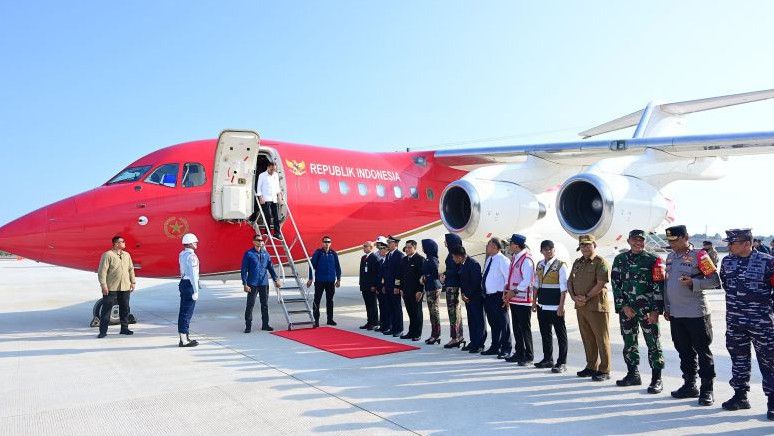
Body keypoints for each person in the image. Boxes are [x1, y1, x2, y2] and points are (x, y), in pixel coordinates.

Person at [719, 228, 774, 420]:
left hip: (761, 323)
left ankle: (773, 401)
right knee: (739, 359)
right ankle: (740, 396)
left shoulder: (768, 262)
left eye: (732, 243)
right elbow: (726, 284)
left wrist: (766, 310)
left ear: (745, 243)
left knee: (769, 361)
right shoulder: (727, 262)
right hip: (735, 321)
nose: (729, 246)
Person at [663, 225, 720, 405]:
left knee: (703, 352)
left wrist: (693, 282)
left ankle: (707, 390)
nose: (671, 244)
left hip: (696, 313)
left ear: (685, 237)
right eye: (669, 241)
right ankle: (690, 385)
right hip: (676, 314)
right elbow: (668, 284)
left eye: (674, 240)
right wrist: (667, 306)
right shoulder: (670, 257)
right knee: (684, 352)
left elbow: (714, 280)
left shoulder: (700, 256)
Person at [611, 230, 666, 394]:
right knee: (629, 342)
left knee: (653, 343)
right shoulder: (620, 260)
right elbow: (615, 284)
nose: (638, 243)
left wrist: (656, 310)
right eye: (635, 240)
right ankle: (633, 374)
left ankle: (657, 379)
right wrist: (623, 306)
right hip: (627, 310)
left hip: (647, 311)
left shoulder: (653, 260)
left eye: (641, 240)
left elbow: (659, 286)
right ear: (628, 241)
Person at [568, 234, 612, 382]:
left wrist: (585, 297)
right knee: (587, 337)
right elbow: (570, 282)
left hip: (596, 305)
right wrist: (574, 297)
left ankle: (604, 369)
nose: (585, 247)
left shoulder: (600, 262)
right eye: (582, 245)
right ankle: (591, 366)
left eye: (588, 245)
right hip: (580, 306)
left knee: (601, 338)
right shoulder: (577, 262)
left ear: (594, 245)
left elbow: (600, 284)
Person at [533, 240, 569, 373]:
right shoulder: (540, 265)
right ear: (541, 251)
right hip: (542, 305)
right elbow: (536, 284)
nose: (548, 251)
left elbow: (563, 288)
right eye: (545, 249)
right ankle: (548, 359)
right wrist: (534, 302)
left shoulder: (560, 265)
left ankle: (562, 362)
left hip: (555, 307)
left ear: (554, 250)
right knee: (545, 334)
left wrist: (561, 306)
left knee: (561, 335)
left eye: (550, 249)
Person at [504, 234, 536, 365]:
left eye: (510, 244)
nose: (509, 246)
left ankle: (528, 355)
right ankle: (519, 352)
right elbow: (511, 277)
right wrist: (507, 291)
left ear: (516, 245)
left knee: (524, 328)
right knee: (516, 328)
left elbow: (527, 280)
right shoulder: (515, 257)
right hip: (514, 299)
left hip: (523, 300)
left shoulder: (526, 259)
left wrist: (514, 291)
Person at [96, 235, 136, 338]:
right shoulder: (107, 255)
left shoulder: (127, 255)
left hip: (125, 287)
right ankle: (103, 331)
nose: (124, 243)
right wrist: (103, 285)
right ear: (116, 244)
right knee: (106, 310)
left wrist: (133, 282)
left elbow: (131, 269)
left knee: (125, 308)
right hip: (111, 287)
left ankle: (124, 329)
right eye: (122, 241)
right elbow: (102, 271)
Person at [241, 235, 281, 333]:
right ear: (253, 242)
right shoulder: (249, 254)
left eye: (261, 240)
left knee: (265, 305)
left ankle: (265, 324)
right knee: (250, 304)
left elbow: (270, 268)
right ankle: (248, 325)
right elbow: (244, 269)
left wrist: (276, 279)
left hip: (264, 283)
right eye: (258, 240)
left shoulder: (266, 254)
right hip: (252, 283)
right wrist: (245, 283)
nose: (260, 242)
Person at [481, 238, 512, 358]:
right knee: (493, 323)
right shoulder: (490, 259)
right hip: (488, 296)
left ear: (494, 247)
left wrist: (506, 296)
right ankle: (495, 346)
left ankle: (506, 348)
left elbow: (508, 278)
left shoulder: (502, 260)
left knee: (504, 323)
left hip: (499, 296)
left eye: (488, 245)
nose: (487, 247)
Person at [455, 245, 486, 353]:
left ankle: (480, 344)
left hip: (476, 297)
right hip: (468, 298)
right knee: (471, 321)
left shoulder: (473, 264)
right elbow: (462, 281)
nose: (453, 260)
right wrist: (463, 294)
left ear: (459, 257)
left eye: (454, 257)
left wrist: (467, 294)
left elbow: (476, 282)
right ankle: (473, 342)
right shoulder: (462, 265)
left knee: (479, 321)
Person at [307, 236, 341, 327]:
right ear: (322, 243)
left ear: (331, 243)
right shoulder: (318, 253)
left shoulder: (333, 254)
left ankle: (330, 319)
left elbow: (337, 267)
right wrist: (310, 278)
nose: (327, 243)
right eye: (325, 241)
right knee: (316, 300)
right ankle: (316, 320)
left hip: (330, 281)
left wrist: (338, 279)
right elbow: (311, 266)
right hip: (319, 281)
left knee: (330, 300)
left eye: (328, 242)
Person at [441, 233, 465, 348]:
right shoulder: (451, 253)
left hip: (453, 286)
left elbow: (457, 270)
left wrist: (445, 274)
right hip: (451, 284)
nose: (445, 243)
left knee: (453, 312)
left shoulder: (454, 254)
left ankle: (455, 338)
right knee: (456, 312)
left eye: (446, 241)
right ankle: (458, 336)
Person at [399, 240, 425, 340]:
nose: (407, 249)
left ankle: (417, 333)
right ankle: (411, 332)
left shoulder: (420, 259)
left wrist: (420, 290)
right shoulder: (404, 260)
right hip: (406, 291)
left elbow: (422, 277)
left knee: (417, 313)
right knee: (410, 312)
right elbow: (401, 275)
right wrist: (401, 288)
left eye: (409, 247)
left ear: (415, 248)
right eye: (406, 247)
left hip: (416, 291)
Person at [178, 233, 200, 347]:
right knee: (187, 313)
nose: (196, 244)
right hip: (189, 284)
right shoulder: (192, 257)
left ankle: (184, 337)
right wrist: (196, 290)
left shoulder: (182, 254)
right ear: (190, 243)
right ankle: (184, 340)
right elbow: (193, 275)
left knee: (183, 312)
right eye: (195, 242)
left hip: (183, 282)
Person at [382, 236, 405, 336]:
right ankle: (392, 327)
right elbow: (386, 271)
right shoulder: (389, 255)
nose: (388, 244)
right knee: (390, 307)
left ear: (395, 244)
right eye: (388, 242)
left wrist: (397, 287)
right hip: (388, 285)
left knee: (397, 308)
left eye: (390, 242)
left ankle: (399, 329)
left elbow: (399, 273)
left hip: (394, 287)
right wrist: (384, 285)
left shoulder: (399, 255)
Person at [421, 239, 443, 344]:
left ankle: (436, 334)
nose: (423, 248)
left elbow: (435, 274)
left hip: (433, 287)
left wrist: (425, 277)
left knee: (434, 312)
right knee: (431, 312)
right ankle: (433, 334)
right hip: (429, 287)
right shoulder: (428, 258)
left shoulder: (432, 259)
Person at [256, 161, 283, 239]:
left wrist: (279, 197)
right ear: (268, 167)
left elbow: (277, 186)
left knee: (276, 216)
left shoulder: (276, 175)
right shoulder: (262, 175)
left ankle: (277, 233)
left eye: (274, 169)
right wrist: (260, 197)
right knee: (267, 215)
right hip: (265, 198)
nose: (273, 171)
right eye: (271, 169)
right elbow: (259, 187)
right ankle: (267, 232)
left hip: (274, 198)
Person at [358, 240, 380, 330]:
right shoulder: (363, 258)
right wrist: (361, 283)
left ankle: (374, 322)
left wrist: (374, 285)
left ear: (371, 248)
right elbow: (362, 272)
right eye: (364, 246)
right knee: (367, 304)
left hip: (371, 286)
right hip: (364, 285)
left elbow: (376, 273)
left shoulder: (374, 258)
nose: (364, 248)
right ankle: (369, 321)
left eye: (366, 246)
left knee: (373, 304)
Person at [374, 237, 391, 332]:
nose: (379, 248)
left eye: (381, 247)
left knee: (387, 306)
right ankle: (383, 324)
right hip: (380, 287)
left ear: (386, 249)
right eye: (378, 246)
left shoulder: (389, 259)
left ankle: (388, 325)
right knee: (382, 306)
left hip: (386, 287)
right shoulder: (379, 258)